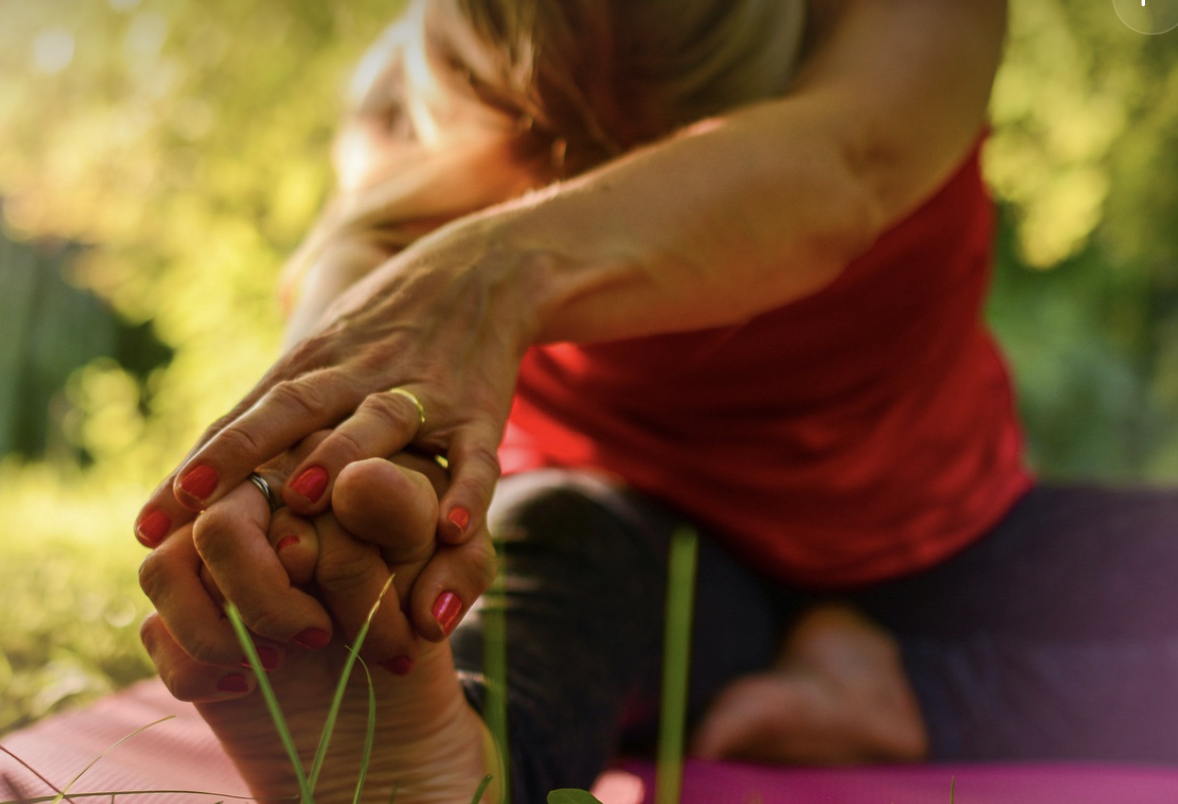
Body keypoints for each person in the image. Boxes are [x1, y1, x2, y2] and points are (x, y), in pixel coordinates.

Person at [135, 0, 1178, 802]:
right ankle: (442, 762)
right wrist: (309, 506)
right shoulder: (413, 107)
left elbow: (843, 167)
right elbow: (350, 296)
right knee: (553, 567)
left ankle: (901, 691)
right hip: (640, 544)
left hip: (948, 544)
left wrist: (487, 268)